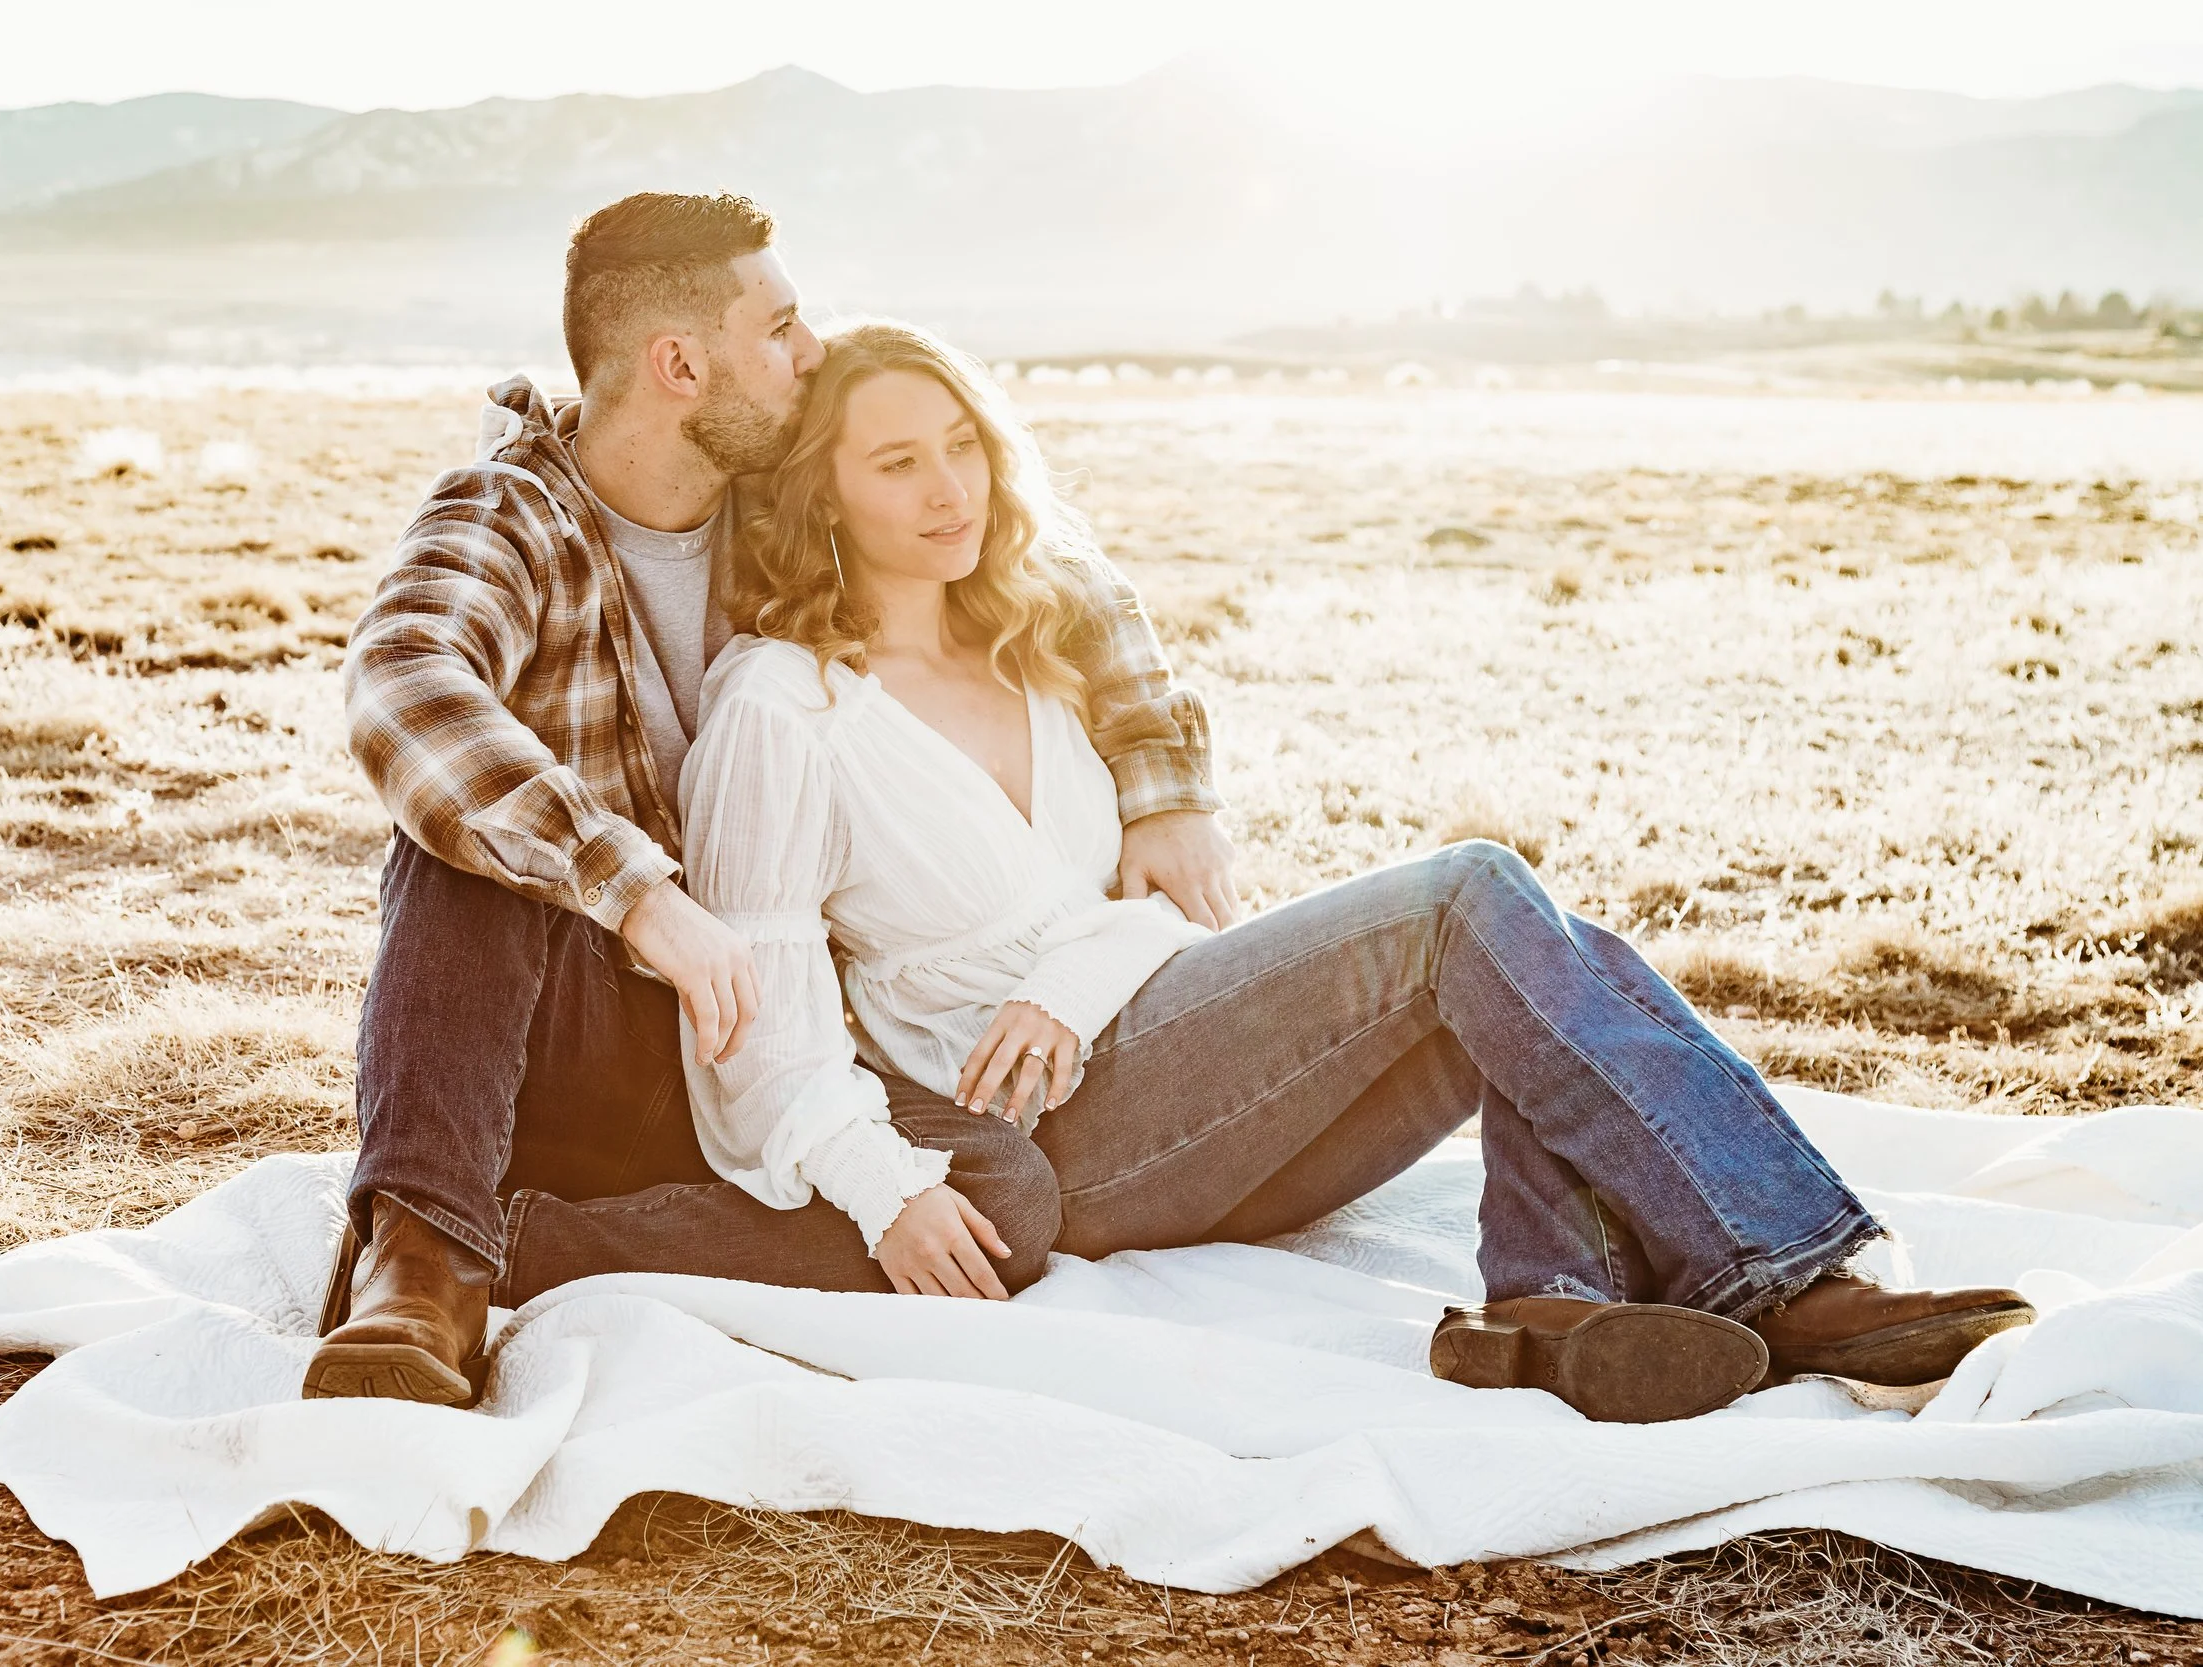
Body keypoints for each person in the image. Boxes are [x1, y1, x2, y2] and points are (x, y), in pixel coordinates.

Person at [673, 319, 2035, 1423]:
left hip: (1166, 1070)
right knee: (1474, 897)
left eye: (962, 445)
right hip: (1050, 1128)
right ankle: (1794, 1276)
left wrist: (1083, 968)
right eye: (897, 461)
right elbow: (757, 1019)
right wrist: (885, 1188)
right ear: (823, 495)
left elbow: (1148, 914)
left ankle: (1547, 1304)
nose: (947, 487)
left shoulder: (1034, 648)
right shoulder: (786, 707)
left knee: (1550, 962)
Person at [311, 193, 1235, 1404]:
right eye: (784, 326)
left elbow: (1060, 576)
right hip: (575, 1030)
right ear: (681, 363)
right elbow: (403, 684)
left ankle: (524, 1244)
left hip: (772, 1035)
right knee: (468, 834)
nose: (813, 352)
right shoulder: (510, 514)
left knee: (998, 1198)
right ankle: (423, 1262)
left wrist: (1165, 790)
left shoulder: (777, 507)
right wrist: (635, 892)